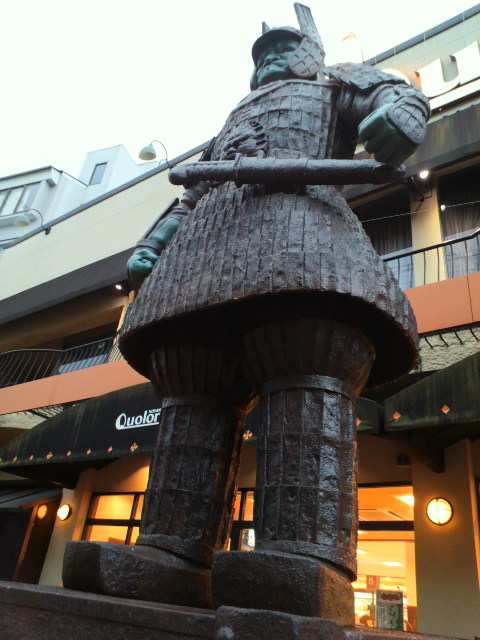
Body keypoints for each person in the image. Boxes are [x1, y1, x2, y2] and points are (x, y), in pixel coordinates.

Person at [63, 4, 429, 620]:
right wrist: (154, 242)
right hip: (207, 253)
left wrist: (400, 116)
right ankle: (174, 551)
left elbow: (396, 96)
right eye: (264, 53)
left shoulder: (337, 84)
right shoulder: (235, 116)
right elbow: (194, 191)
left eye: (285, 46)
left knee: (304, 351)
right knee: (193, 372)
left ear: (312, 53)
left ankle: (305, 554)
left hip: (302, 237)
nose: (272, 57)